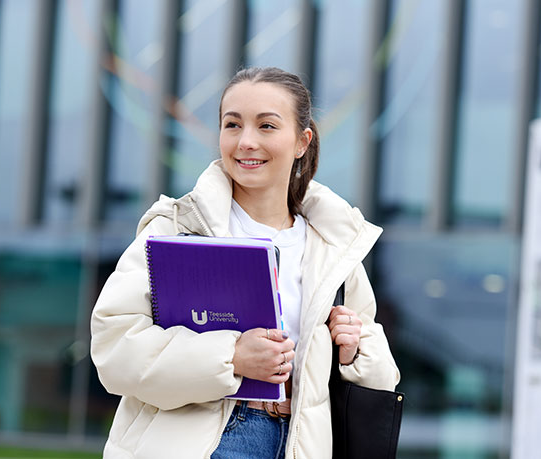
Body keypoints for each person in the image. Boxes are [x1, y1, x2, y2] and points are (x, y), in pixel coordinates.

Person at [91, 67, 400, 459]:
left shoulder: (334, 248)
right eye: (232, 125)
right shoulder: (176, 228)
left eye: (267, 126)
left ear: (302, 142)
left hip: (300, 442)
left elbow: (382, 380)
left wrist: (355, 350)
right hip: (204, 443)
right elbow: (115, 347)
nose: (246, 142)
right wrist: (231, 357)